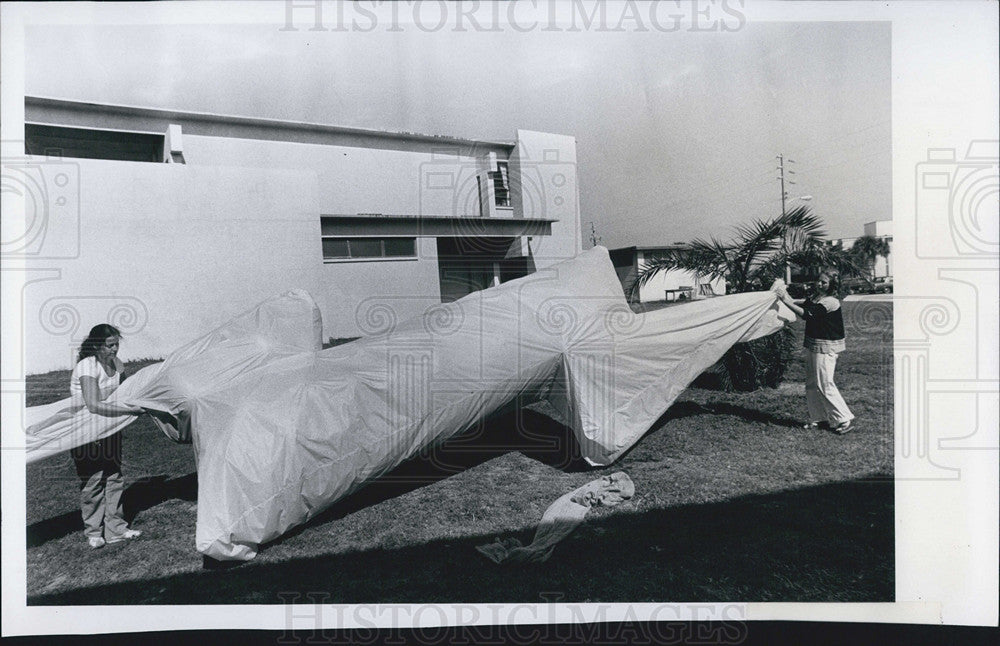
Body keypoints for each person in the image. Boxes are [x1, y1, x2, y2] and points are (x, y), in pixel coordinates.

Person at [70, 324, 145, 548]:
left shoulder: (117, 364)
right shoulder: (87, 366)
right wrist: (129, 411)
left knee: (114, 476)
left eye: (116, 344)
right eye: (109, 345)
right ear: (97, 346)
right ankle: (94, 532)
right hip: (84, 431)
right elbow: (93, 405)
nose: (114, 349)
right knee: (93, 479)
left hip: (109, 427)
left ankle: (116, 530)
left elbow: (125, 392)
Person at [774, 271, 855, 434]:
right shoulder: (815, 297)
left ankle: (844, 419)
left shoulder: (831, 302)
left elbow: (807, 314)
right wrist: (784, 294)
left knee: (825, 383)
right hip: (814, 344)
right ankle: (819, 419)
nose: (819, 284)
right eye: (819, 281)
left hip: (826, 347)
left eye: (824, 282)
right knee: (811, 384)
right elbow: (802, 306)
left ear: (832, 285)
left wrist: (784, 298)